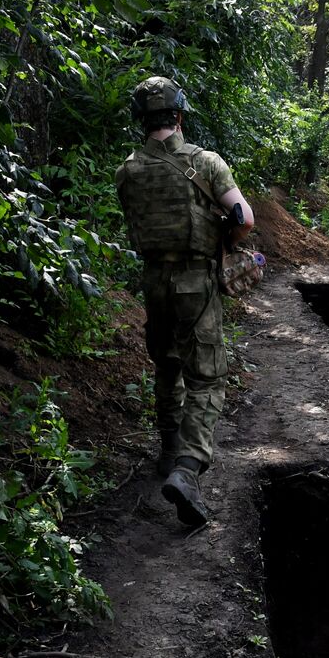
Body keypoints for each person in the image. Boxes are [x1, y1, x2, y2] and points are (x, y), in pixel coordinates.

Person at [116, 76, 254, 526]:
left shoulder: (128, 170)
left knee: (167, 364)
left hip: (154, 280)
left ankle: (168, 449)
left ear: (142, 120)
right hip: (195, 279)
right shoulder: (206, 162)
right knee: (207, 378)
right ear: (178, 115)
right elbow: (244, 217)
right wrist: (226, 237)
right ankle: (188, 469)